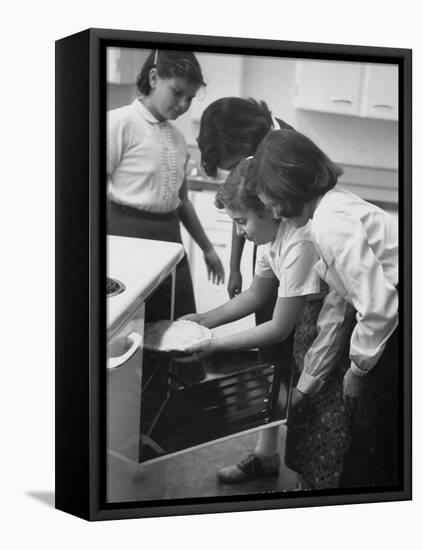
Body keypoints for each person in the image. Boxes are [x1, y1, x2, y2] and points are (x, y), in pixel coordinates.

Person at [250, 129, 399, 489]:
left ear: (287, 183)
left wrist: (358, 370)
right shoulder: (329, 210)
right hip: (392, 314)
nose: (269, 209)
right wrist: (310, 381)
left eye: (268, 198)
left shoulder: (331, 222)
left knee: (378, 437)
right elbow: (338, 303)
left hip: (397, 318)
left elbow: (379, 307)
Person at [180, 158, 331, 484]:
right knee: (296, 403)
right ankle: (278, 466)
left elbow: (278, 328)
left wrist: (212, 345)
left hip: (333, 329)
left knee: (312, 412)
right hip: (310, 324)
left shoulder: (298, 243)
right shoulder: (269, 237)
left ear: (268, 210)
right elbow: (256, 295)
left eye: (241, 221)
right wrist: (204, 320)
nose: (238, 231)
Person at [107, 49, 225, 323]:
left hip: (170, 240)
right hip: (126, 238)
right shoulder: (118, 123)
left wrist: (207, 248)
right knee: (133, 327)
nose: (184, 104)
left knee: (176, 326)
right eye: (177, 92)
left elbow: (181, 201)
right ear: (153, 78)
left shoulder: (178, 137)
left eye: (190, 98)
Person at [197, 97, 293, 335]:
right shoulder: (257, 227)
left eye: (234, 165)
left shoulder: (289, 150)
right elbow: (242, 208)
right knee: (265, 316)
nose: (236, 172)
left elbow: (279, 328)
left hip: (292, 258)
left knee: (283, 332)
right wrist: (235, 266)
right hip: (267, 248)